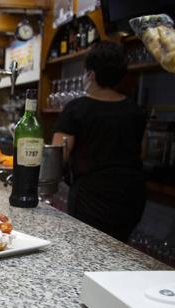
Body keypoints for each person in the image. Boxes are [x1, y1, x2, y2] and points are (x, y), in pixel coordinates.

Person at [52, 41, 147, 242]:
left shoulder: (77, 109)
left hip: (91, 195)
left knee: (88, 248)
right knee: (119, 249)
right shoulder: (136, 111)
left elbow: (58, 155)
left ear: (91, 74)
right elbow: (143, 152)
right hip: (130, 196)